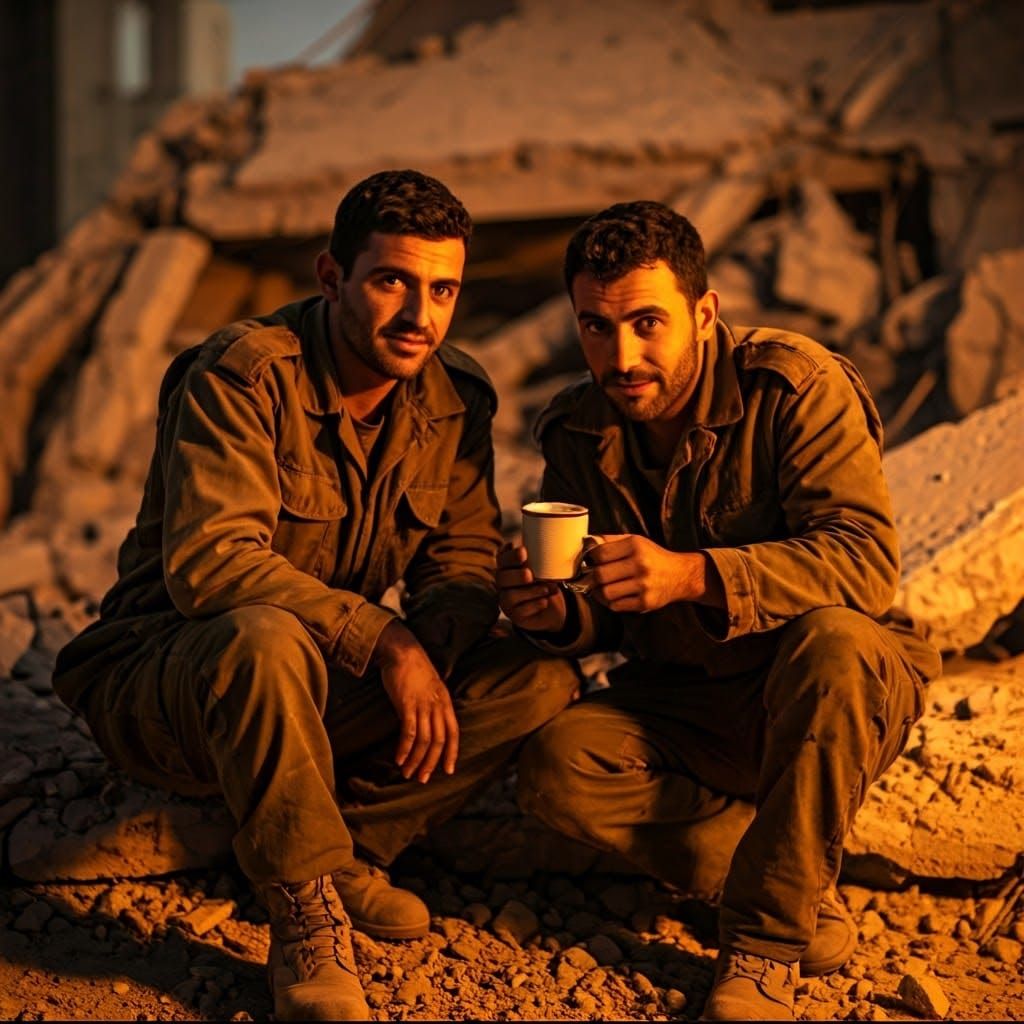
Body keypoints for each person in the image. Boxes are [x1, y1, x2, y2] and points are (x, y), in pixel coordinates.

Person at [53, 169, 579, 1021]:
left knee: (537, 681)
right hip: (176, 679)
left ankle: (346, 852)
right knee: (265, 636)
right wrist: (389, 643)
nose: (420, 316)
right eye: (391, 282)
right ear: (332, 277)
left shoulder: (456, 396)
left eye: (442, 290)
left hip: (319, 683)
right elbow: (212, 563)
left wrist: (448, 638)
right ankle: (303, 915)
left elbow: (460, 557)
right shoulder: (243, 375)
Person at [497, 201, 941, 1021]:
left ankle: (766, 944)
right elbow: (604, 614)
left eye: (646, 324)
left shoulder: (796, 387)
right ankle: (793, 873)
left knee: (837, 641)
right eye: (595, 327)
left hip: (814, 695)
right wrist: (552, 612)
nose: (620, 356)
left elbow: (866, 564)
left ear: (704, 314)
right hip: (690, 700)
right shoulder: (578, 427)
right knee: (560, 766)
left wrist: (695, 576)